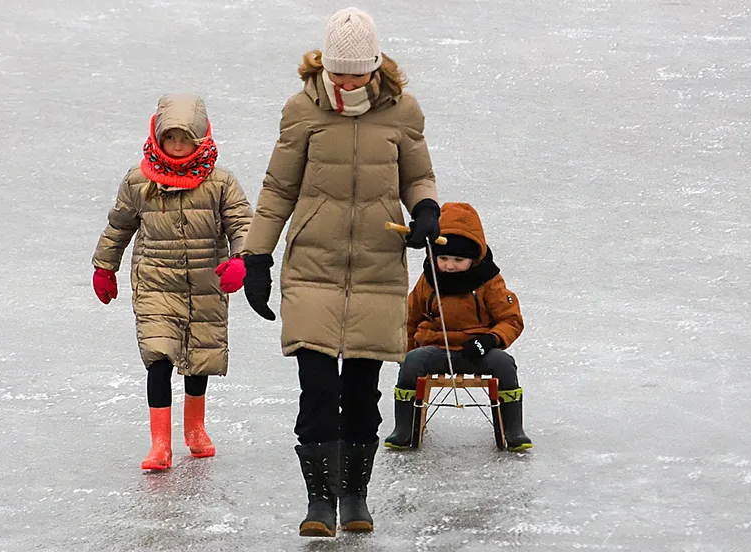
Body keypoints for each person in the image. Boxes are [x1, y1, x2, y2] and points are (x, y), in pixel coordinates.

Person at [240, 7, 440, 537]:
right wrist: (256, 257)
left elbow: (418, 176)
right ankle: (318, 503)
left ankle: (354, 497)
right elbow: (278, 189)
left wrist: (425, 210)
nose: (346, 80)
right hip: (312, 268)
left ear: (375, 66)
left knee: (361, 393)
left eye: (356, 71)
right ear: (324, 65)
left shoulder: (402, 112)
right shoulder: (300, 111)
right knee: (317, 389)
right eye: (338, 70)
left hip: (377, 268)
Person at [91, 94, 252, 471]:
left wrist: (240, 260)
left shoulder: (220, 182)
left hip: (204, 283)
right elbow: (119, 226)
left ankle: (195, 428)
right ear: (158, 137)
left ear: (200, 140)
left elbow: (242, 224)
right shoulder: (139, 181)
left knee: (198, 359)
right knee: (158, 357)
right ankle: (159, 443)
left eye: (185, 139)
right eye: (171, 138)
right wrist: (104, 266)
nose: (177, 147)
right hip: (155, 283)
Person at [383, 202, 533, 452]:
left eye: (458, 259)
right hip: (435, 350)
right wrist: (406, 353)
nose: (449, 265)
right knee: (412, 362)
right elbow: (409, 319)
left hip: (477, 351)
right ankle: (404, 428)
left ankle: (513, 429)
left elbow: (511, 320)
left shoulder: (489, 281)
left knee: (504, 364)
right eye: (443, 258)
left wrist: (490, 340)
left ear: (474, 259)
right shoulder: (428, 280)